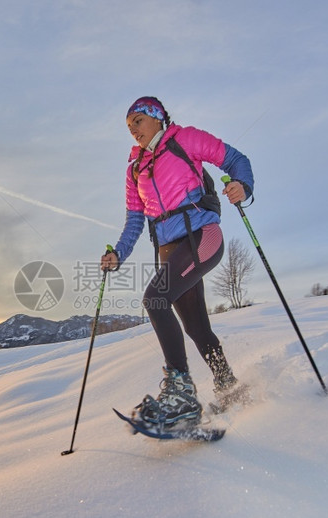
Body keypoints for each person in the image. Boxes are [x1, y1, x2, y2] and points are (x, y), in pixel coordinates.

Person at [101, 96, 254, 428]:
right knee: (197, 327)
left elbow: (234, 159)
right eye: (128, 127)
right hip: (169, 250)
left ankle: (181, 394)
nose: (133, 131)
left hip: (202, 236)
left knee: (155, 299)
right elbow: (134, 222)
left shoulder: (185, 139)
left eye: (138, 122)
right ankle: (229, 388)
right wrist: (118, 254)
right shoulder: (135, 169)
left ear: (157, 117)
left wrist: (243, 185)